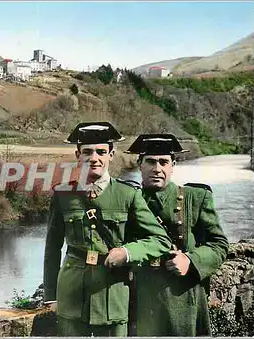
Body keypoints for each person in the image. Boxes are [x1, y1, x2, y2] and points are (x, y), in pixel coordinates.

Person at [42, 122, 172, 337]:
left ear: (111, 155)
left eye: (101, 152)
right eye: (87, 152)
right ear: (78, 155)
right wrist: (51, 296)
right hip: (71, 295)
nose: (94, 158)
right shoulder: (63, 194)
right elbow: (52, 248)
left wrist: (127, 252)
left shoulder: (127, 195)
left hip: (112, 294)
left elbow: (161, 240)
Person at [124, 133, 229, 336]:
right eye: (151, 162)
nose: (157, 169)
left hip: (183, 301)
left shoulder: (195, 198)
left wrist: (190, 260)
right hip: (138, 300)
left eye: (164, 162)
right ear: (140, 165)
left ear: (173, 165)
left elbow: (219, 244)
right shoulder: (125, 199)